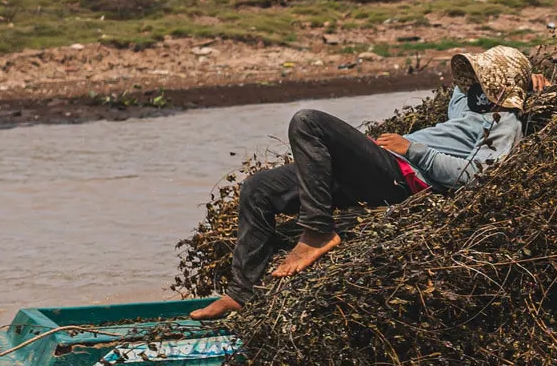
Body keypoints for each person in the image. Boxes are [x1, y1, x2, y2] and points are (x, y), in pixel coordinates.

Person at [189, 46, 539, 319]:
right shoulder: (473, 108)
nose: (475, 86)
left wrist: (413, 150)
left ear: (500, 87)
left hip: (400, 179)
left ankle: (317, 232)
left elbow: (478, 175)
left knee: (308, 121)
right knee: (258, 188)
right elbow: (461, 93)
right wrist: (533, 81)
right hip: (378, 168)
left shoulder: (505, 124)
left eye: (484, 79)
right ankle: (240, 292)